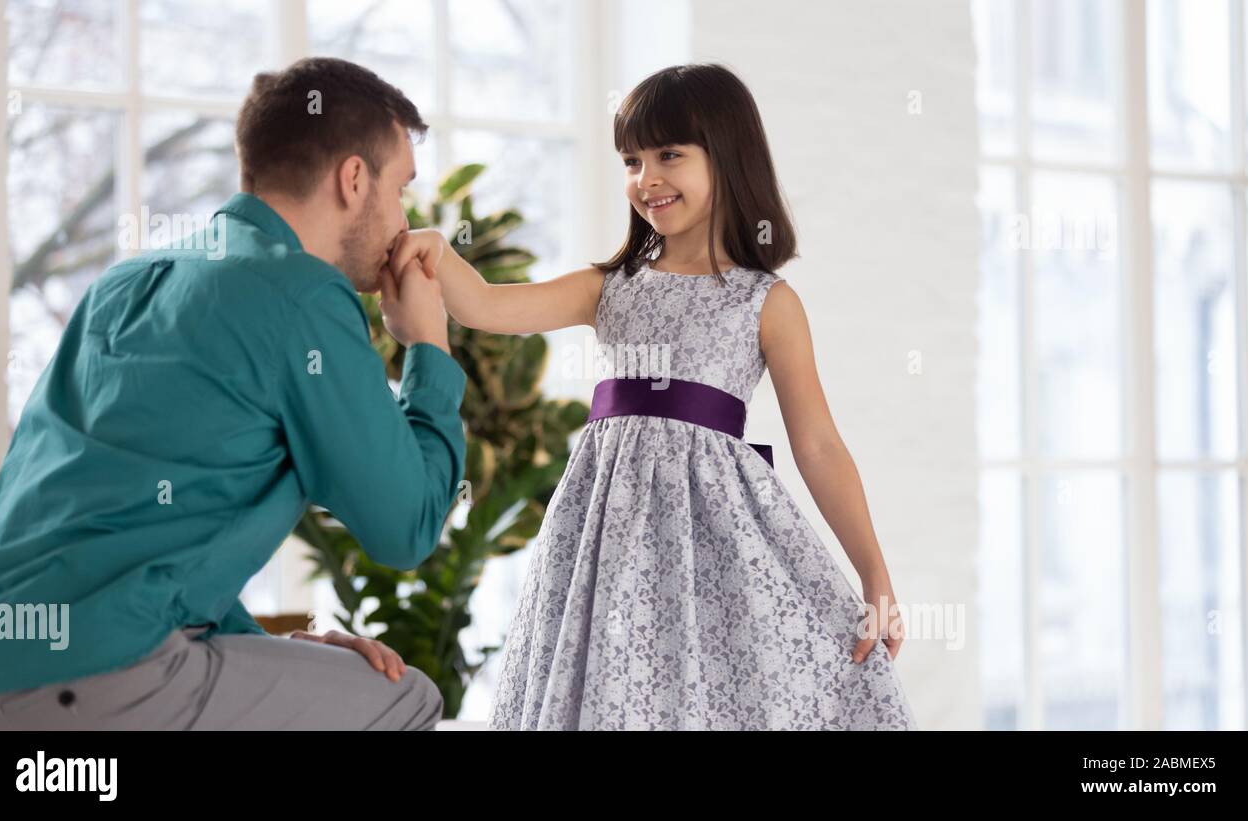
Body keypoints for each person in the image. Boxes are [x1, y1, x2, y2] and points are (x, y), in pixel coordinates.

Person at [389, 63, 919, 729]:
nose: (647, 179)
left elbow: (818, 445)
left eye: (670, 154)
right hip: (605, 530)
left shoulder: (767, 301)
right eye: (632, 160)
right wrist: (436, 251)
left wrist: (874, 575)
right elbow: (489, 305)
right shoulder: (609, 286)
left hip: (713, 536)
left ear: (727, 157)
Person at [0, 57, 465, 731]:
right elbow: (405, 526)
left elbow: (107, 527)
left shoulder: (127, 283)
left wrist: (259, 653)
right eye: (401, 187)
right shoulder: (301, 295)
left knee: (334, 683)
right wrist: (428, 347)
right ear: (354, 179)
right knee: (408, 698)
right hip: (96, 684)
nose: (403, 221)